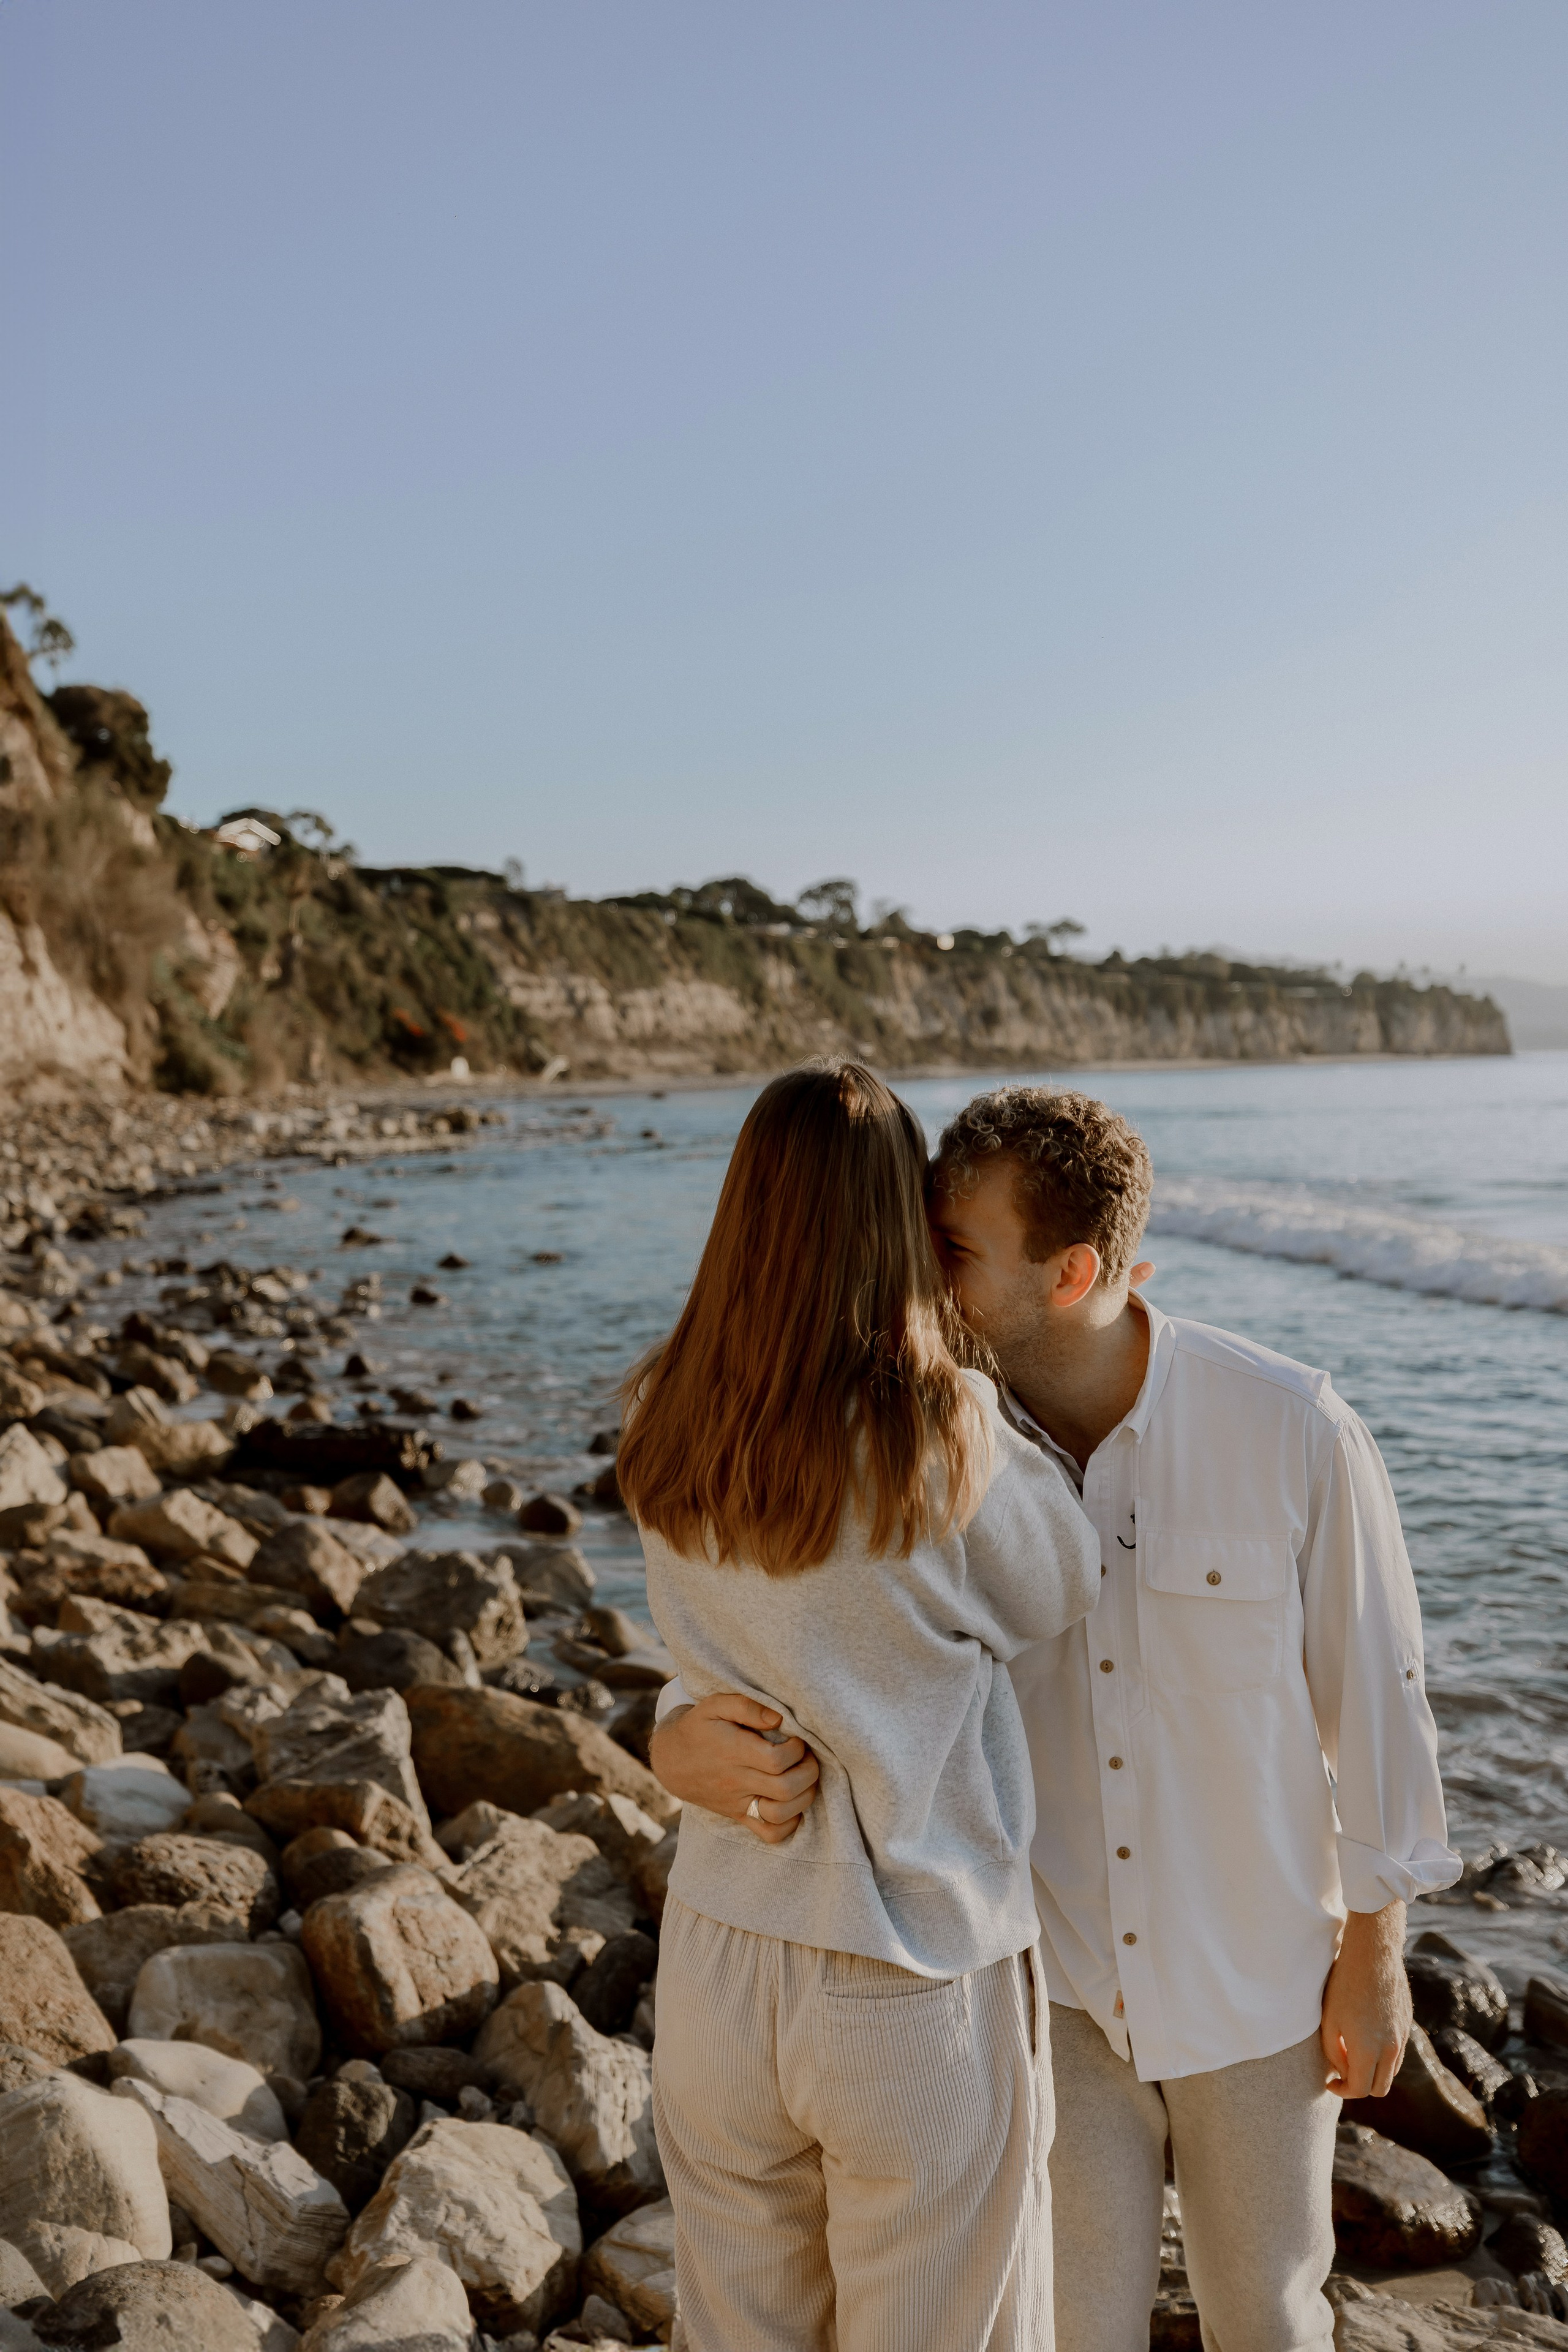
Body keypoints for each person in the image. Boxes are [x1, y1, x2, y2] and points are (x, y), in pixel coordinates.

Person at [651, 1083, 1460, 2352]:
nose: (916, 1277)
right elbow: (800, 1634)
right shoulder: (929, 1432)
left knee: (1266, 2317)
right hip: (1049, 1981)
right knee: (1068, 2328)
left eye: (951, 1254)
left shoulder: (1286, 1427)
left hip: (1248, 1981)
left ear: (1069, 1269)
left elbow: (1376, 1695)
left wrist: (1374, 1946)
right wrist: (670, 1733)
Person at [620, 1061, 1101, 2352]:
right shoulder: (939, 1431)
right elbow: (1062, 1579)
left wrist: (669, 1735)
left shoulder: (670, 1413)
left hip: (724, 1945)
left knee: (738, 2330)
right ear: (896, 1225)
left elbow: (706, 1639)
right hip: (908, 1955)